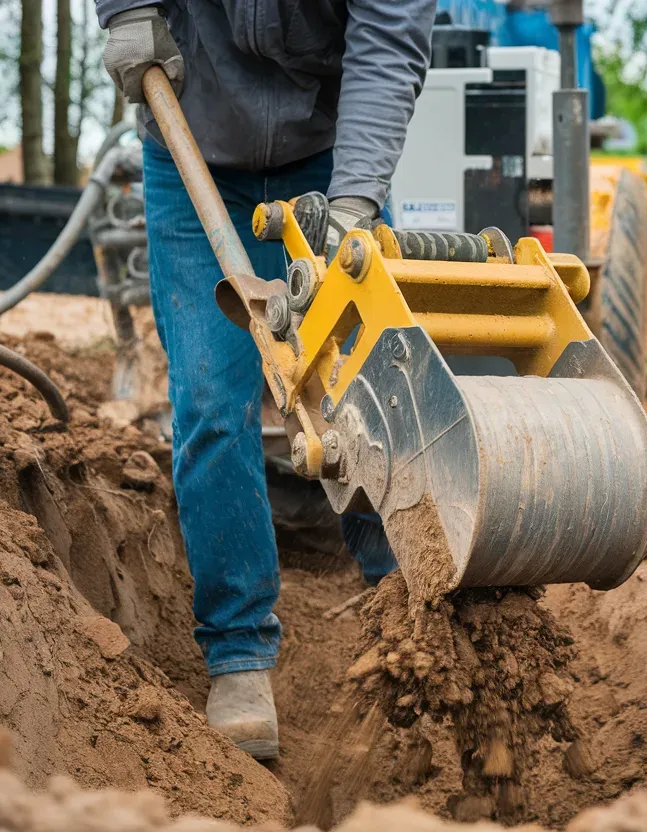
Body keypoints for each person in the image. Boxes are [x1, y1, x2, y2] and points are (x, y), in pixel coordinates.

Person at [96, 0, 438, 761]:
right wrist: (123, 8)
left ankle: (412, 610)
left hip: (326, 161)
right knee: (213, 405)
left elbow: (389, 42)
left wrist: (352, 207)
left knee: (362, 391)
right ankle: (238, 658)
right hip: (192, 151)